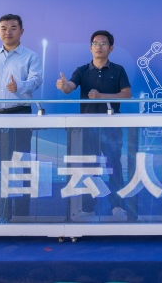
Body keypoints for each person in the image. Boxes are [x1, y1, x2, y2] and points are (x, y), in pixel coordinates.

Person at [56, 30, 132, 221]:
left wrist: (101, 96)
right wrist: (64, 86)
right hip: (87, 127)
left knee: (114, 166)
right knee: (89, 167)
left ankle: (117, 206)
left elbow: (126, 95)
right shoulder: (82, 70)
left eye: (103, 43)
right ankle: (88, 208)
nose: (99, 47)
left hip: (111, 127)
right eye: (95, 43)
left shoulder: (118, 70)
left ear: (111, 48)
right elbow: (69, 87)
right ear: (90, 48)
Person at [0, 14, 42, 222]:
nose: (7, 32)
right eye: (3, 28)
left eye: (13, 28)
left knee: (19, 162)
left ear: (21, 31)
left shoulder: (31, 56)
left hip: (19, 114)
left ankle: (20, 212)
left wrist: (20, 86)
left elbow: (36, 80)